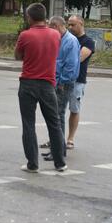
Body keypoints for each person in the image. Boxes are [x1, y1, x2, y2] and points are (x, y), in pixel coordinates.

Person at [14, 3, 67, 173]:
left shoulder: (25, 35)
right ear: (45, 17)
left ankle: (32, 164)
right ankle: (60, 163)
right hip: (48, 84)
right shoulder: (55, 35)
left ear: (29, 17)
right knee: (54, 124)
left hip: (28, 83)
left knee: (28, 124)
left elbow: (17, 56)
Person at [42, 15, 80, 161]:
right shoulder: (59, 39)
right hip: (56, 82)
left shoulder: (70, 41)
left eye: (51, 28)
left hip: (63, 84)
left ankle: (58, 151)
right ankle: (57, 148)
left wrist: (60, 83)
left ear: (56, 26)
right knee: (56, 116)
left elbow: (70, 66)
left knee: (58, 116)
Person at [65, 15, 95, 149]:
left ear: (81, 23)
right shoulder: (65, 38)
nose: (70, 27)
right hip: (62, 79)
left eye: (73, 25)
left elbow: (77, 59)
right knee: (57, 111)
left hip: (77, 80)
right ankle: (54, 138)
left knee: (74, 109)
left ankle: (70, 138)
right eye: (68, 25)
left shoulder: (88, 41)